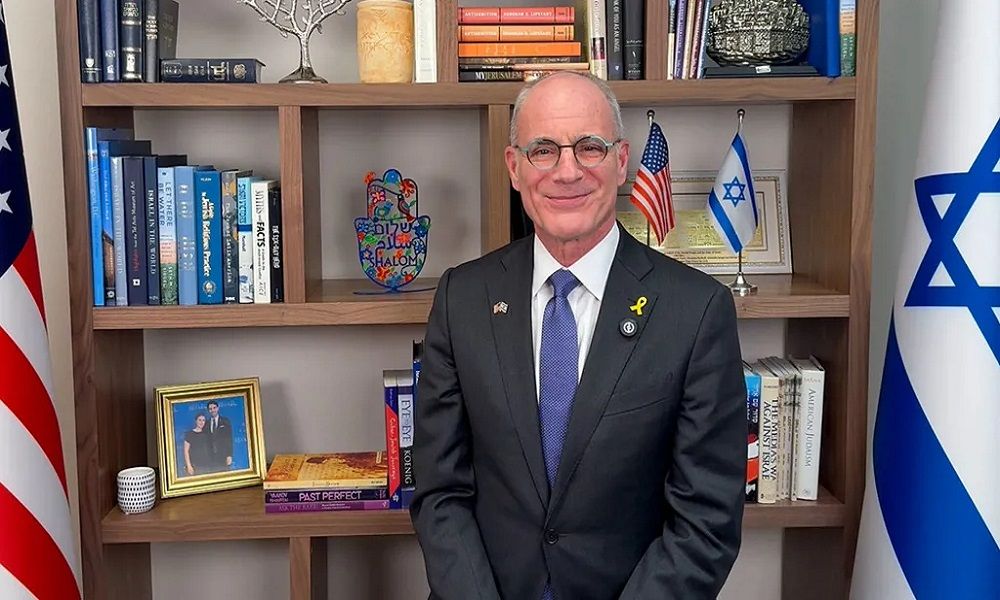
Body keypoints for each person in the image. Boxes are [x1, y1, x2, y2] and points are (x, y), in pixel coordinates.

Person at [410, 71, 747, 600]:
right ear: (515, 167)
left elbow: (706, 521)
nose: (567, 172)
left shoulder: (698, 311)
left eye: (589, 147)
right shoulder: (462, 298)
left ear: (621, 160)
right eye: (543, 150)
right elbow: (439, 491)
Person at [205, 400, 233, 471]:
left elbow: (229, 439)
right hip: (210, 457)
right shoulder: (206, 423)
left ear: (218, 408)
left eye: (214, 408)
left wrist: (229, 455)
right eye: (210, 409)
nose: (212, 410)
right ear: (208, 410)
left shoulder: (225, 421)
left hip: (223, 455)